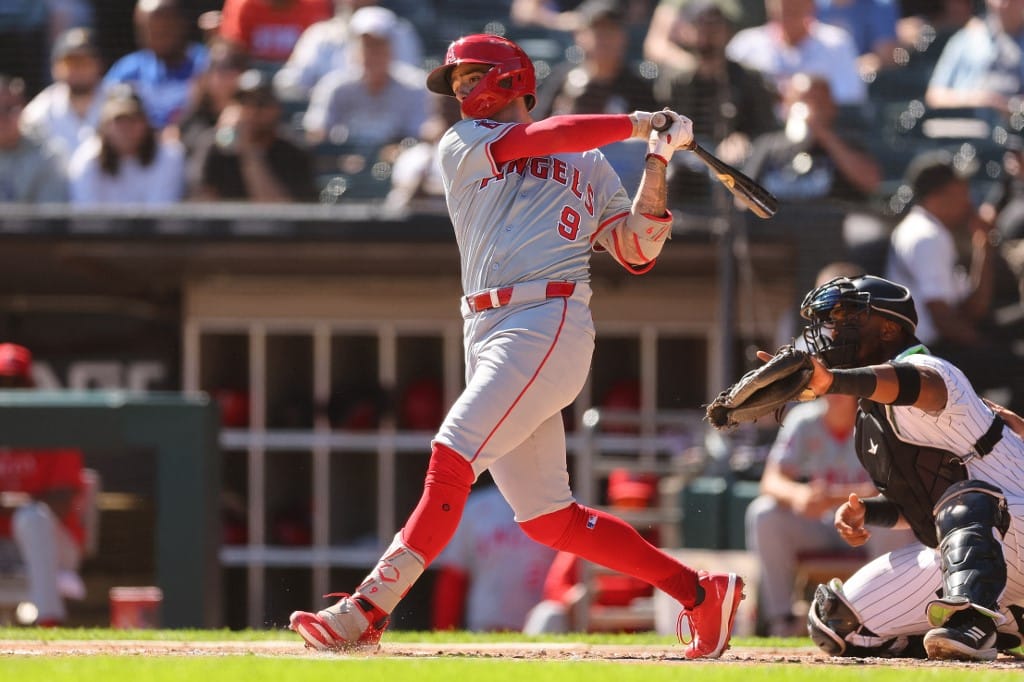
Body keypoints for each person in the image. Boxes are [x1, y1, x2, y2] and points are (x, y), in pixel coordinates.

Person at [288, 33, 745, 659]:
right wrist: (639, 124)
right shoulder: (463, 143)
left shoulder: (592, 165)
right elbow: (546, 137)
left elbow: (637, 249)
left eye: (470, 77)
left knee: (452, 453)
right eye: (455, 82)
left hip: (548, 317)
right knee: (546, 517)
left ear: (510, 79)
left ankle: (367, 609)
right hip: (489, 328)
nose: (459, 91)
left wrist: (658, 159)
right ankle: (699, 593)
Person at [796, 274, 1024, 660]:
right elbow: (920, 507)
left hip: (1015, 521)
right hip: (982, 552)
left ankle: (973, 624)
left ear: (888, 327)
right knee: (839, 624)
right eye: (831, 318)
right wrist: (870, 513)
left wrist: (832, 381)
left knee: (966, 500)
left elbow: (911, 383)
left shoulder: (933, 368)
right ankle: (1008, 622)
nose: (834, 330)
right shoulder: (867, 420)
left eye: (847, 316)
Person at [745, 391, 912, 637]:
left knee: (894, 518)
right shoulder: (804, 420)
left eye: (843, 385)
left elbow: (892, 487)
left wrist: (832, 496)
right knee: (764, 513)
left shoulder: (877, 421)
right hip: (822, 524)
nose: (836, 393)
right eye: (831, 384)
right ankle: (783, 622)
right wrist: (798, 495)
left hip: (866, 523)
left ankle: (889, 622)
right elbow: (771, 480)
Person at [886, 149, 1024, 413]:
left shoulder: (934, 230)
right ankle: (1010, 443)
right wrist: (991, 347)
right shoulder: (924, 236)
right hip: (927, 355)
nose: (969, 199)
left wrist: (983, 246)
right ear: (940, 196)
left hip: (942, 342)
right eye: (962, 190)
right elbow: (944, 320)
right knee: (1017, 365)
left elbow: (973, 309)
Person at [652, 0, 779, 206]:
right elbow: (657, 127)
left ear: (728, 32)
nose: (708, 32)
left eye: (716, 25)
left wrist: (743, 137)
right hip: (685, 159)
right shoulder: (675, 82)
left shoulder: (749, 79)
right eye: (701, 24)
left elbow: (768, 131)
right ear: (688, 31)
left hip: (732, 163)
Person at [0, 343, 87, 627]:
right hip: (4, 546)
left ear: (30, 386)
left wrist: (10, 504)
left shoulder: (52, 428)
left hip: (55, 544)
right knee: (28, 513)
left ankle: (49, 619)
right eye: (1, 383)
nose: (7, 391)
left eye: (15, 383)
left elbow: (59, 504)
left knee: (32, 517)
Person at [533, 0, 659, 189]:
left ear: (622, 36)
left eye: (610, 31)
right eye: (597, 31)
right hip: (562, 180)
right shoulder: (562, 79)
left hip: (618, 186)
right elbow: (536, 128)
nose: (603, 39)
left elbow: (653, 139)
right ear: (580, 36)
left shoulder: (637, 87)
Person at [523, 468, 660, 633]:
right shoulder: (592, 532)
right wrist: (572, 596)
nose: (632, 510)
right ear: (611, 500)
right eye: (624, 502)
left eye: (639, 502)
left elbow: (648, 590)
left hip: (639, 627)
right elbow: (554, 588)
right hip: (588, 624)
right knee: (547, 613)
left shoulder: (659, 538)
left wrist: (603, 591)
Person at [431, 476, 557, 632]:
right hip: (485, 624)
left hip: (544, 627)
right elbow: (454, 575)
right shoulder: (475, 506)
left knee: (550, 616)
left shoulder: (564, 505)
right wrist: (444, 631)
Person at [742, 72, 880, 204]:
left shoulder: (848, 142)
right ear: (786, 107)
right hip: (777, 222)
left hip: (833, 220)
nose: (810, 109)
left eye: (818, 103)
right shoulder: (768, 145)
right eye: (801, 101)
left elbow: (871, 183)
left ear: (832, 107)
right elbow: (743, 197)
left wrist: (825, 136)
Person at [301, 6, 427, 148]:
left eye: (379, 45)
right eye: (366, 45)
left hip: (395, 167)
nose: (372, 53)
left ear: (392, 48)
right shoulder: (334, 86)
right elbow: (316, 134)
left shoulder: (414, 88)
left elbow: (418, 137)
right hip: (344, 165)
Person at [188, 69, 318, 202]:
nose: (251, 112)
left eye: (260, 104)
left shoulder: (292, 152)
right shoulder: (214, 147)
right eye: (243, 103)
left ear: (277, 109)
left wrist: (249, 152)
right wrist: (228, 137)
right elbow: (200, 203)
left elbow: (283, 213)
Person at [273, 0, 424, 101]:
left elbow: (412, 85)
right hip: (336, 131)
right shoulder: (319, 34)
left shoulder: (400, 31)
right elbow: (288, 84)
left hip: (392, 127)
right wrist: (326, 95)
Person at [725, 0, 866, 105]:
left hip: (818, 136)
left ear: (812, 4)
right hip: (759, 134)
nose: (787, 5)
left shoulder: (837, 43)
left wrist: (811, 95)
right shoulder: (744, 46)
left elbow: (850, 99)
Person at [68, 85, 186, 205]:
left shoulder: (169, 157)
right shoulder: (86, 160)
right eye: (118, 121)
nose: (126, 128)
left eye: (133, 119)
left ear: (146, 123)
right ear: (105, 126)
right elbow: (86, 217)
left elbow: (160, 213)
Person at [102, 0, 209, 130]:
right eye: (148, 30)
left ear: (182, 25)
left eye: (164, 29)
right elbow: (104, 108)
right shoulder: (129, 69)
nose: (156, 37)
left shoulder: (205, 64)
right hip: (145, 147)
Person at [20, 27, 105, 163]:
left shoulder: (120, 100)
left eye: (83, 61)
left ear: (98, 64)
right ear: (55, 67)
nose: (77, 69)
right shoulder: (39, 111)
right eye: (69, 62)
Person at [925, 0, 1024, 115]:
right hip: (969, 126)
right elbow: (934, 97)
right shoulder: (967, 39)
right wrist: (981, 100)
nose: (1005, 3)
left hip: (1018, 126)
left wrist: (1014, 107)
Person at [174, 38, 250, 156]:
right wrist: (222, 130)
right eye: (221, 66)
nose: (230, 73)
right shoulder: (196, 111)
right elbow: (193, 148)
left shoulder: (253, 107)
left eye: (236, 65)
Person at [0, 75, 68, 203]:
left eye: (9, 108)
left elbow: (48, 219)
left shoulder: (47, 156)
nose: (3, 118)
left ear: (22, 108)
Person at [218, 0, 332, 66]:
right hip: (253, 80)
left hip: (298, 82)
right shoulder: (243, 5)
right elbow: (233, 49)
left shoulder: (316, 5)